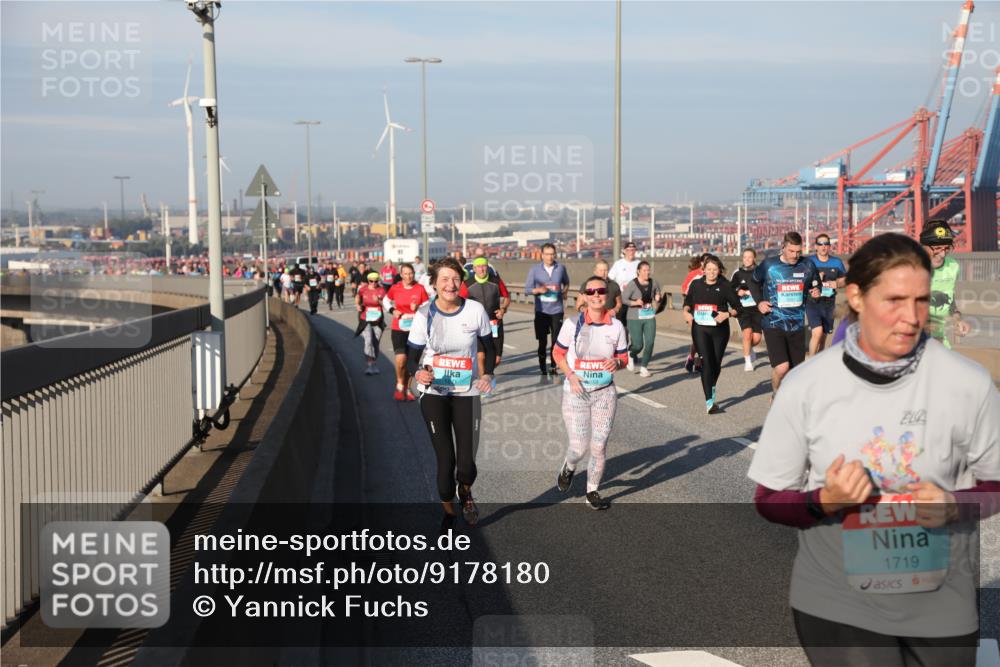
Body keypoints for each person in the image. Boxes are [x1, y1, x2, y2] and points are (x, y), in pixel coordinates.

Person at [748, 232, 999, 667]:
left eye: (921, 301)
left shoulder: (969, 383)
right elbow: (769, 500)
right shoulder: (807, 386)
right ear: (857, 297)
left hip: (941, 603)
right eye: (895, 300)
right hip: (837, 601)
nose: (910, 317)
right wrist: (824, 501)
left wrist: (955, 506)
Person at [407, 257, 496, 526]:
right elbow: (412, 355)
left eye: (455, 278)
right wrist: (417, 372)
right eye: (444, 279)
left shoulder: (475, 310)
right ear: (434, 284)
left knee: (466, 463)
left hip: (466, 390)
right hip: (433, 392)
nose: (451, 284)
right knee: (446, 461)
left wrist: (488, 373)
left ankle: (465, 492)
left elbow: (488, 347)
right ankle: (448, 511)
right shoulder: (425, 314)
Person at [553, 274, 629, 511]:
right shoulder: (572, 323)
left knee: (599, 446)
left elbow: (624, 358)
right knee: (579, 447)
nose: (597, 295)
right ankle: (569, 466)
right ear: (584, 296)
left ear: (607, 296)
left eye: (601, 291)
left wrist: (617, 364)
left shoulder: (616, 326)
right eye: (591, 291)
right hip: (577, 392)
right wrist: (571, 375)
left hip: (605, 393)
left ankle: (592, 491)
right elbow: (557, 353)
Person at [754, 231, 821, 394]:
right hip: (773, 322)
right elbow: (753, 281)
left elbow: (816, 284)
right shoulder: (769, 265)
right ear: (783, 247)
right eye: (791, 251)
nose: (795, 255)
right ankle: (776, 393)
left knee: (795, 372)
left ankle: (787, 400)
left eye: (799, 251)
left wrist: (817, 292)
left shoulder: (808, 265)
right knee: (782, 368)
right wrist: (759, 302)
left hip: (797, 324)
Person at [684, 255, 742, 413]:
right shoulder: (696, 285)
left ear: (719, 270)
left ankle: (711, 386)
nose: (711, 272)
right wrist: (686, 313)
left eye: (715, 270)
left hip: (720, 331)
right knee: (706, 363)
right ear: (703, 270)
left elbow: (738, 307)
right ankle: (710, 401)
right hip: (700, 329)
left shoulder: (725, 285)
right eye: (709, 269)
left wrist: (727, 314)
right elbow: (688, 303)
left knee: (716, 364)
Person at [920, 219, 970, 348]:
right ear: (923, 245)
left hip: (939, 341)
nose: (942, 254)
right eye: (937, 248)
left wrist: (957, 319)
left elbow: (948, 297)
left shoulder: (952, 266)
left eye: (947, 248)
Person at [459, 257, 510, 380]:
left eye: (484, 266)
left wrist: (503, 309)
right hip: (477, 324)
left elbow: (507, 297)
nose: (482, 269)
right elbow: (459, 301)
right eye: (479, 267)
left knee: (496, 359)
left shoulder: (496, 281)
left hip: (494, 324)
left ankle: (488, 373)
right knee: (481, 356)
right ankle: (484, 382)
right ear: (474, 269)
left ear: (487, 267)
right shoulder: (467, 284)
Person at [524, 243, 570, 377]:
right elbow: (526, 290)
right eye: (547, 254)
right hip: (541, 311)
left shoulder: (561, 268)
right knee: (542, 341)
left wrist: (565, 291)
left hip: (557, 310)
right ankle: (542, 366)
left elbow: (566, 282)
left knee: (556, 341)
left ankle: (553, 366)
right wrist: (538, 290)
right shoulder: (534, 270)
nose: (550, 257)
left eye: (552, 254)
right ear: (542, 255)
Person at [385, 263, 429, 401]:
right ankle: (399, 385)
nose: (409, 276)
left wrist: (418, 307)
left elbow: (428, 305)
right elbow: (386, 300)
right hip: (399, 328)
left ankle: (408, 389)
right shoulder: (395, 288)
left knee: (412, 361)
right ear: (401, 274)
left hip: (416, 329)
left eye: (411, 273)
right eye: (406, 273)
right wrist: (393, 310)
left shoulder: (420, 288)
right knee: (401, 358)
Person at [807, 233, 848, 357]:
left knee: (824, 334)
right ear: (816, 246)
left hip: (829, 303)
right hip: (812, 302)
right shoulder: (809, 261)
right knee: (817, 332)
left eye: (826, 244)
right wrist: (813, 280)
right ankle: (810, 362)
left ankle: (818, 360)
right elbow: (801, 279)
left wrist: (836, 283)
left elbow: (846, 280)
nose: (823, 247)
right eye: (820, 244)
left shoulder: (836, 262)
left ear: (829, 246)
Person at [621, 261, 662, 377]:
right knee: (638, 345)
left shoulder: (654, 282)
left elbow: (657, 292)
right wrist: (634, 302)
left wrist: (657, 297)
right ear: (638, 271)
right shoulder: (632, 284)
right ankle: (631, 353)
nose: (647, 272)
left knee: (650, 342)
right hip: (634, 317)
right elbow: (624, 299)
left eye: (648, 270)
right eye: (644, 270)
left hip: (649, 316)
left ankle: (644, 367)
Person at [731, 248, 763, 371]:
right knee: (747, 333)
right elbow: (731, 288)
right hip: (743, 309)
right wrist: (738, 291)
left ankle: (749, 348)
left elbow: (766, 287)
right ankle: (748, 362)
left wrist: (754, 293)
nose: (747, 260)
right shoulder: (737, 273)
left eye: (749, 257)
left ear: (754, 258)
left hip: (757, 309)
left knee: (756, 338)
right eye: (745, 257)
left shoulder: (760, 272)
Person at [354, 272, 387, 375]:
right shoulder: (363, 289)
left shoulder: (381, 290)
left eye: (376, 281)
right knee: (368, 341)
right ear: (368, 281)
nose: (373, 283)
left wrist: (379, 301)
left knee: (376, 343)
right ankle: (369, 364)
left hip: (378, 320)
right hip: (365, 318)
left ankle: (374, 363)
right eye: (371, 281)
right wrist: (357, 305)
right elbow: (357, 297)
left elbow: (386, 304)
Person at [681, 255, 706, 373]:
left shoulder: (715, 274)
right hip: (693, 309)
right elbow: (684, 289)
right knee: (698, 337)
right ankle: (692, 357)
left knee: (705, 338)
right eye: (705, 262)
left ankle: (699, 362)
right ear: (701, 263)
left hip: (708, 310)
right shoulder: (694, 274)